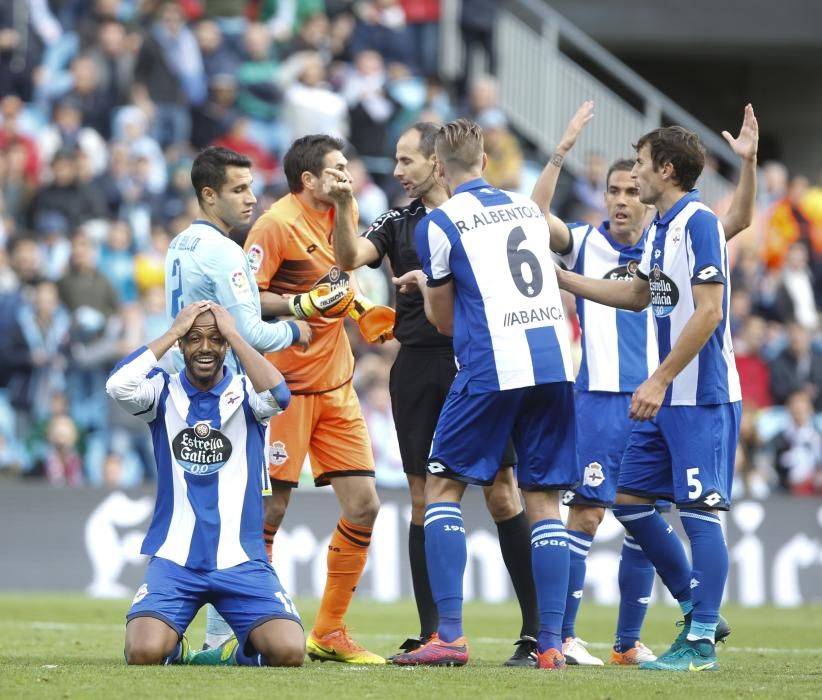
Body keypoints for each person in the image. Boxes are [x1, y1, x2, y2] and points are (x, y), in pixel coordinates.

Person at [530, 102, 758, 665]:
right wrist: (563, 279)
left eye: (642, 163)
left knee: (699, 511)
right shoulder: (662, 230)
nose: (634, 174)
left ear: (667, 171)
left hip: (698, 394)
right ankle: (698, 608)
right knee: (630, 500)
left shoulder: (699, 223)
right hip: (665, 397)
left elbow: (707, 312)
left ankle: (701, 636)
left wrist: (657, 378)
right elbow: (636, 295)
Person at [332, 121, 540, 666]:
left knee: (502, 490)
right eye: (396, 162)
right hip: (419, 366)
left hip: (477, 361)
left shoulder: (479, 218)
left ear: (436, 162)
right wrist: (343, 205)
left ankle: (536, 633)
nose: (397, 171)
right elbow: (351, 256)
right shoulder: (399, 221)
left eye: (406, 160)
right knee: (423, 497)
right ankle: (434, 633)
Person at [389, 119, 578, 670]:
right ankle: (548, 644)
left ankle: (448, 635)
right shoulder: (525, 208)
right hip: (553, 364)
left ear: (440, 168)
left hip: (493, 364)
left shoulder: (440, 223)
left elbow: (445, 324)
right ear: (487, 163)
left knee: (443, 489)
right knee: (542, 502)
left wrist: (424, 284)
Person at [243, 135, 385, 665]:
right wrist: (296, 304)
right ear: (309, 180)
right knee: (271, 510)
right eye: (338, 169)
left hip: (337, 385)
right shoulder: (275, 224)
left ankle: (329, 631)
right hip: (285, 389)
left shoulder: (343, 215)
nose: (348, 176)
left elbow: (337, 282)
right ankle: (251, 623)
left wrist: (362, 310)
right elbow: (247, 296)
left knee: (366, 504)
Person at [165, 145, 311, 649]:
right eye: (238, 189)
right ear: (209, 194)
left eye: (251, 187)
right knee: (242, 512)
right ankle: (220, 638)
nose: (252, 198)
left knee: (207, 509)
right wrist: (295, 329)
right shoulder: (224, 251)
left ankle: (207, 639)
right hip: (227, 395)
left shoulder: (179, 243)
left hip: (182, 394)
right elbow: (248, 332)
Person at [107, 300, 304, 668]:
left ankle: (236, 652)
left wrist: (233, 332)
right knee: (143, 653)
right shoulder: (161, 393)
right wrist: (172, 332)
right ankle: (177, 651)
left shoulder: (248, 393)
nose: (205, 347)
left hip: (241, 560)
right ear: (182, 345)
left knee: (289, 652)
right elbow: (117, 385)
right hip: (175, 560)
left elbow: (281, 396)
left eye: (215, 339)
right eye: (194, 339)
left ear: (226, 345)